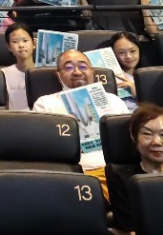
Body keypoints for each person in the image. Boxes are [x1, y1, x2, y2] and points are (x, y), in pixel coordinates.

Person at [31, 50, 110, 188]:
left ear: (92, 71)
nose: (77, 72)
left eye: (83, 66)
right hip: (78, 174)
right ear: (58, 74)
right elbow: (42, 148)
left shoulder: (114, 100)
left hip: (114, 172)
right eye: (68, 68)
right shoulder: (45, 103)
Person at [107, 104, 163, 235]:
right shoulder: (122, 178)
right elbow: (129, 229)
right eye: (147, 134)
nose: (157, 142)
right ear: (134, 137)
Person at [1, 24, 35, 111]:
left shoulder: (46, 73)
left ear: (34, 43)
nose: (21, 45)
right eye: (15, 42)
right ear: (9, 47)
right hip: (15, 118)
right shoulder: (3, 75)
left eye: (25, 40)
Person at [108, 32, 141, 107]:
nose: (128, 56)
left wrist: (138, 94)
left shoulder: (148, 78)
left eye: (132, 51)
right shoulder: (108, 79)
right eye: (121, 53)